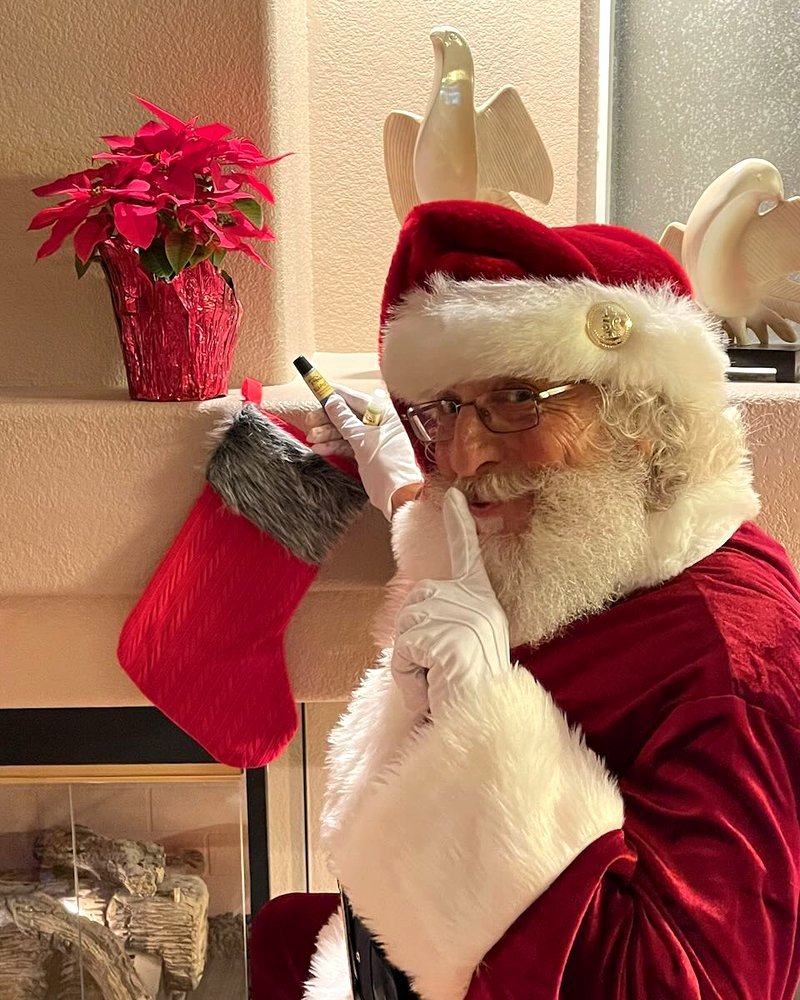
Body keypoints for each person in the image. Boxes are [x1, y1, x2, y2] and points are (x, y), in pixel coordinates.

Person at [250, 200, 800, 999]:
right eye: (445, 409)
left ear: (639, 418)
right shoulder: (585, 543)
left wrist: (482, 710)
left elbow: (677, 986)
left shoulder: (733, 660)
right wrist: (404, 488)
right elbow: (466, 531)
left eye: (519, 399)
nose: (465, 458)